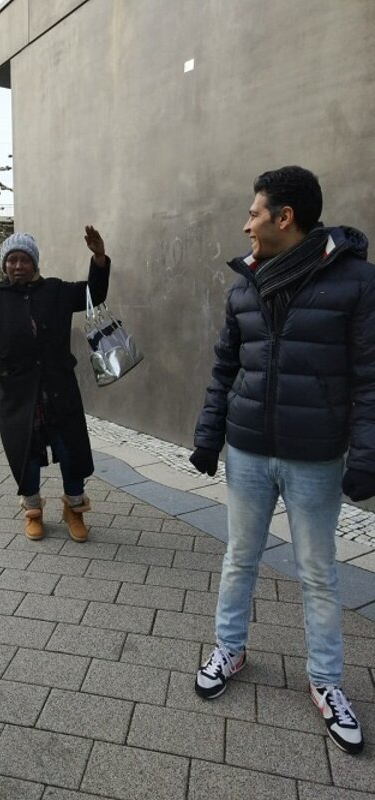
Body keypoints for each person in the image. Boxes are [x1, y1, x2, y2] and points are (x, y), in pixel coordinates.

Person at [189, 166, 371, 755]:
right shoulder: (244, 285)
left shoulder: (356, 283)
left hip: (315, 457)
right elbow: (225, 369)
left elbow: (370, 380)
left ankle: (326, 683)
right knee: (239, 556)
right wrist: (209, 436)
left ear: (284, 218)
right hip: (247, 450)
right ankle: (229, 648)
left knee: (318, 571)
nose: (246, 224)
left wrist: (366, 455)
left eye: (254, 213)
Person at [0, 227, 110, 542]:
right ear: (4, 265)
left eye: (25, 260)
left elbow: (93, 295)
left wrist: (98, 258)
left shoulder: (56, 290)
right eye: (12, 261)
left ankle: (74, 510)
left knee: (70, 452)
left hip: (59, 389)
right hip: (17, 396)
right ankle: (33, 512)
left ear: (35, 263)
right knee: (26, 456)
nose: (19, 266)